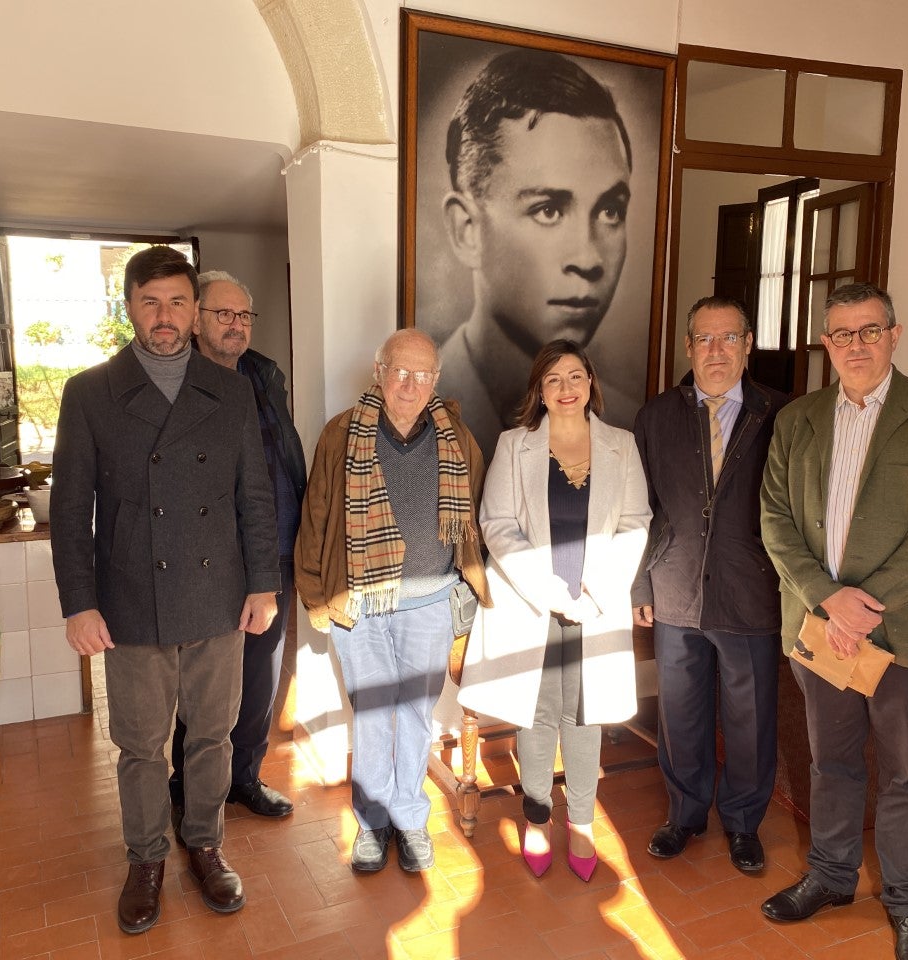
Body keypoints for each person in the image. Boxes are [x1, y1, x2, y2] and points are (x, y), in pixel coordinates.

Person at [50, 246, 280, 935]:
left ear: (194, 310)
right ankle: (146, 858)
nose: (165, 316)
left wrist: (265, 585)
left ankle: (205, 842)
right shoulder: (90, 392)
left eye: (178, 302)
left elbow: (256, 497)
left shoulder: (233, 390)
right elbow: (69, 509)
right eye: (151, 302)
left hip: (219, 593)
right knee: (142, 744)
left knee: (211, 734)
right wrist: (78, 602)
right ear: (128, 309)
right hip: (129, 598)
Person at [758, 283, 908, 960]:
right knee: (832, 761)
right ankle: (830, 874)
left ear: (895, 334)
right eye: (842, 334)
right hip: (822, 626)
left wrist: (863, 604)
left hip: (903, 632)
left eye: (869, 330)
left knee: (907, 770)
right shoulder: (798, 420)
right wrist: (827, 598)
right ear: (826, 343)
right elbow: (775, 521)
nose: (856, 345)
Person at [294, 328, 490, 873]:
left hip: (429, 601)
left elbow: (472, 510)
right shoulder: (342, 434)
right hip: (360, 604)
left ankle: (410, 818)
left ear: (436, 380)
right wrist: (315, 596)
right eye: (398, 371)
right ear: (379, 372)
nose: (409, 383)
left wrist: (467, 583)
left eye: (422, 373)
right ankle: (373, 823)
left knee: (415, 715)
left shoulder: (456, 435)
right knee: (375, 717)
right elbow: (315, 518)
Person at [457, 339, 650, 882]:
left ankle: (583, 823)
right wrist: (549, 590)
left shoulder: (622, 445)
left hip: (596, 604)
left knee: (584, 716)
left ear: (591, 383)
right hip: (532, 603)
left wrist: (599, 589)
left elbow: (636, 520)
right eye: (553, 380)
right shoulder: (514, 445)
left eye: (575, 377)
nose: (566, 389)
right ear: (539, 392)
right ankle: (538, 816)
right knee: (539, 714)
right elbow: (496, 525)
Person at [632, 297, 789, 874]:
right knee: (682, 713)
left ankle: (744, 822)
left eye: (729, 339)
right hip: (674, 589)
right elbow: (639, 509)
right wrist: (639, 586)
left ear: (748, 345)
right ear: (689, 346)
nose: (716, 351)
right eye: (704, 339)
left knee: (750, 717)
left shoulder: (782, 415)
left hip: (750, 592)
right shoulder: (656, 417)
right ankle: (685, 814)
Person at [437, 48, 636, 454]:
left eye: (610, 210)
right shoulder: (420, 412)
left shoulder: (631, 427)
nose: (588, 259)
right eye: (548, 210)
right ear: (467, 230)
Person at [168, 270, 307, 832]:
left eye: (244, 316)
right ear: (197, 319)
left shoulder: (264, 375)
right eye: (223, 314)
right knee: (199, 679)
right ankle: (189, 783)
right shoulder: (174, 381)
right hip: (204, 559)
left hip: (270, 554)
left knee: (260, 676)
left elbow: (281, 462)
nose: (236, 325)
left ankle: (244, 777)